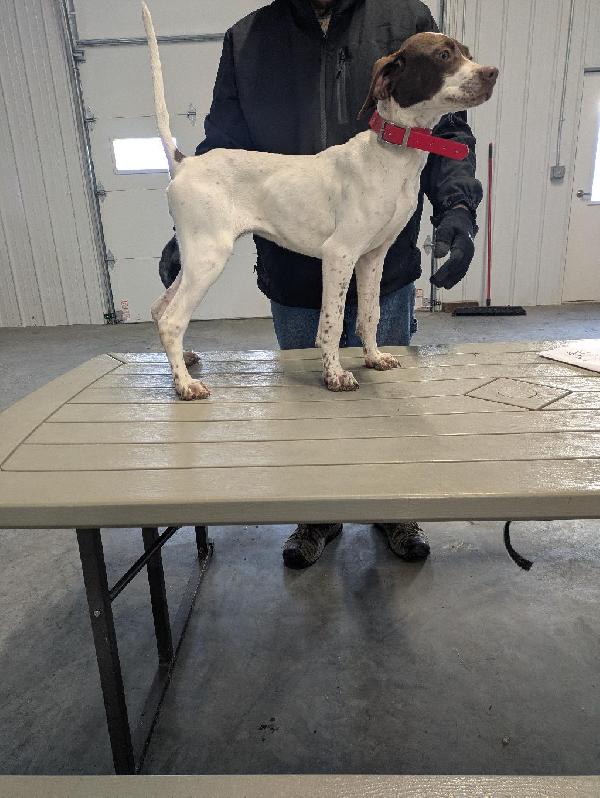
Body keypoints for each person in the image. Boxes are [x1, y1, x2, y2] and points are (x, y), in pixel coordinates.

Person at [159, 0, 482, 569]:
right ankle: (316, 512)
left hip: (390, 265)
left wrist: (457, 205)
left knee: (386, 411)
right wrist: (189, 224)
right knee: (307, 414)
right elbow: (223, 139)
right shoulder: (247, 37)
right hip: (289, 270)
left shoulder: (405, 18)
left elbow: (449, 126)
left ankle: (393, 507)